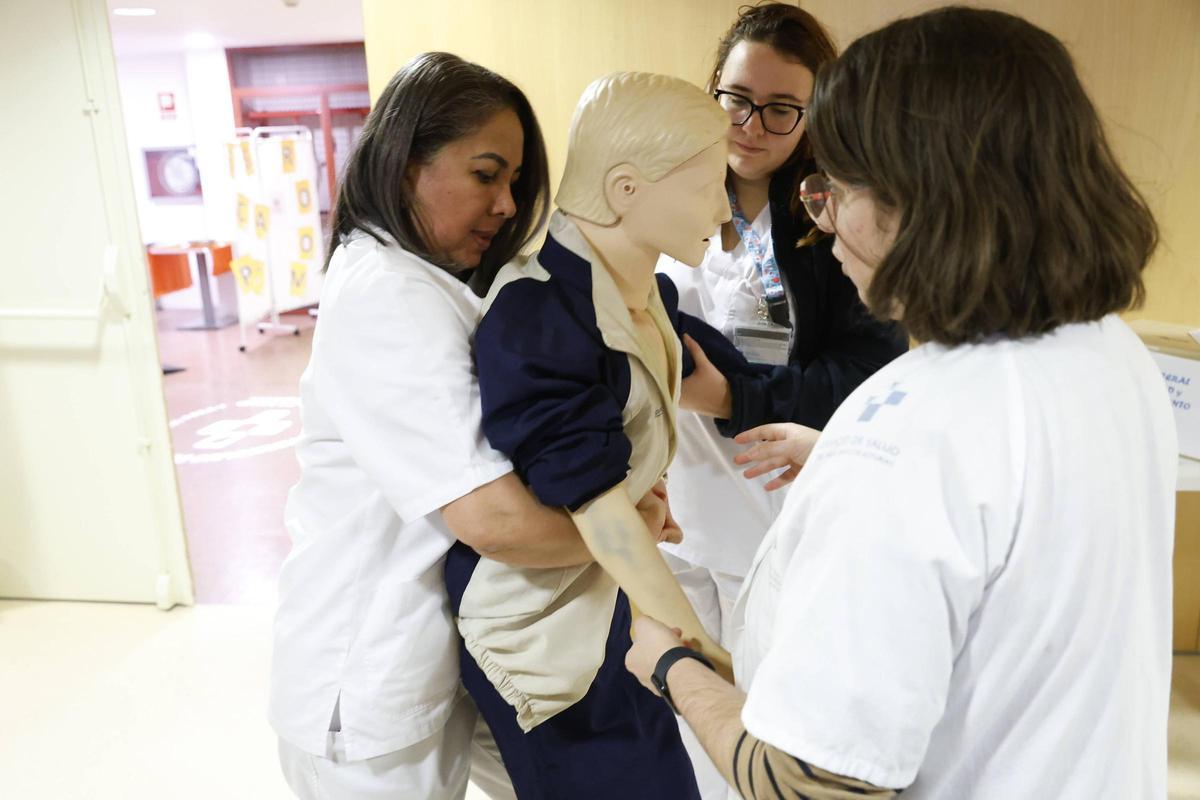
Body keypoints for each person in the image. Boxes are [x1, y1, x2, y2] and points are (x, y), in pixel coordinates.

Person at [627, 7, 1175, 799]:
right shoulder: (1109, 354)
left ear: (923, 200)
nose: (826, 217)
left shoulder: (908, 433)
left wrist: (671, 666)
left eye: (837, 186)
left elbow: (809, 783)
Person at [269, 52, 669, 800]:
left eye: (514, 183)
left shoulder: (438, 286)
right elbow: (495, 519)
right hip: (370, 684)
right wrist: (630, 528)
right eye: (487, 175)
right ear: (404, 162)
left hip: (439, 661)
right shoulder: (388, 295)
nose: (506, 205)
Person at [445, 71, 761, 800]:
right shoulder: (538, 317)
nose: (722, 209)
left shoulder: (649, 291)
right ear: (626, 188)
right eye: (708, 185)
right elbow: (595, 504)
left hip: (612, 605)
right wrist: (703, 655)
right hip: (545, 630)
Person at [656, 7, 908, 793]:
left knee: (771, 720)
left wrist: (733, 394)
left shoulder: (836, 217)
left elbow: (867, 372)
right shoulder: (667, 191)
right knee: (688, 717)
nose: (752, 125)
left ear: (816, 112)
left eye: (781, 109)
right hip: (674, 507)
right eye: (735, 98)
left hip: (782, 503)